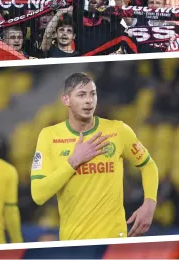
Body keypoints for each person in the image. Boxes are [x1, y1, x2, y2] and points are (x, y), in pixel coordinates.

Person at [31, 72, 158, 240]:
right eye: (81, 95)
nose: (89, 100)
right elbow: (38, 195)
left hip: (114, 239)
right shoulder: (49, 136)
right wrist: (73, 162)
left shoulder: (118, 130)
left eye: (93, 94)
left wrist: (149, 204)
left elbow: (148, 166)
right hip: (74, 242)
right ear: (66, 100)